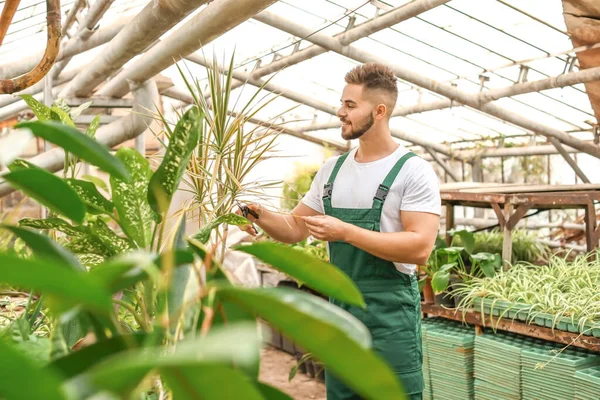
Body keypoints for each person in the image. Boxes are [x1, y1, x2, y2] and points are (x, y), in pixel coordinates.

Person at [238, 62, 441, 400]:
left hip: (390, 319)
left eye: (350, 105)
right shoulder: (331, 171)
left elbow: (419, 248)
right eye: (341, 103)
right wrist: (257, 214)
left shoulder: (413, 172)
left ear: (378, 111)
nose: (339, 112)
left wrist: (345, 232)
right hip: (341, 317)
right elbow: (293, 229)